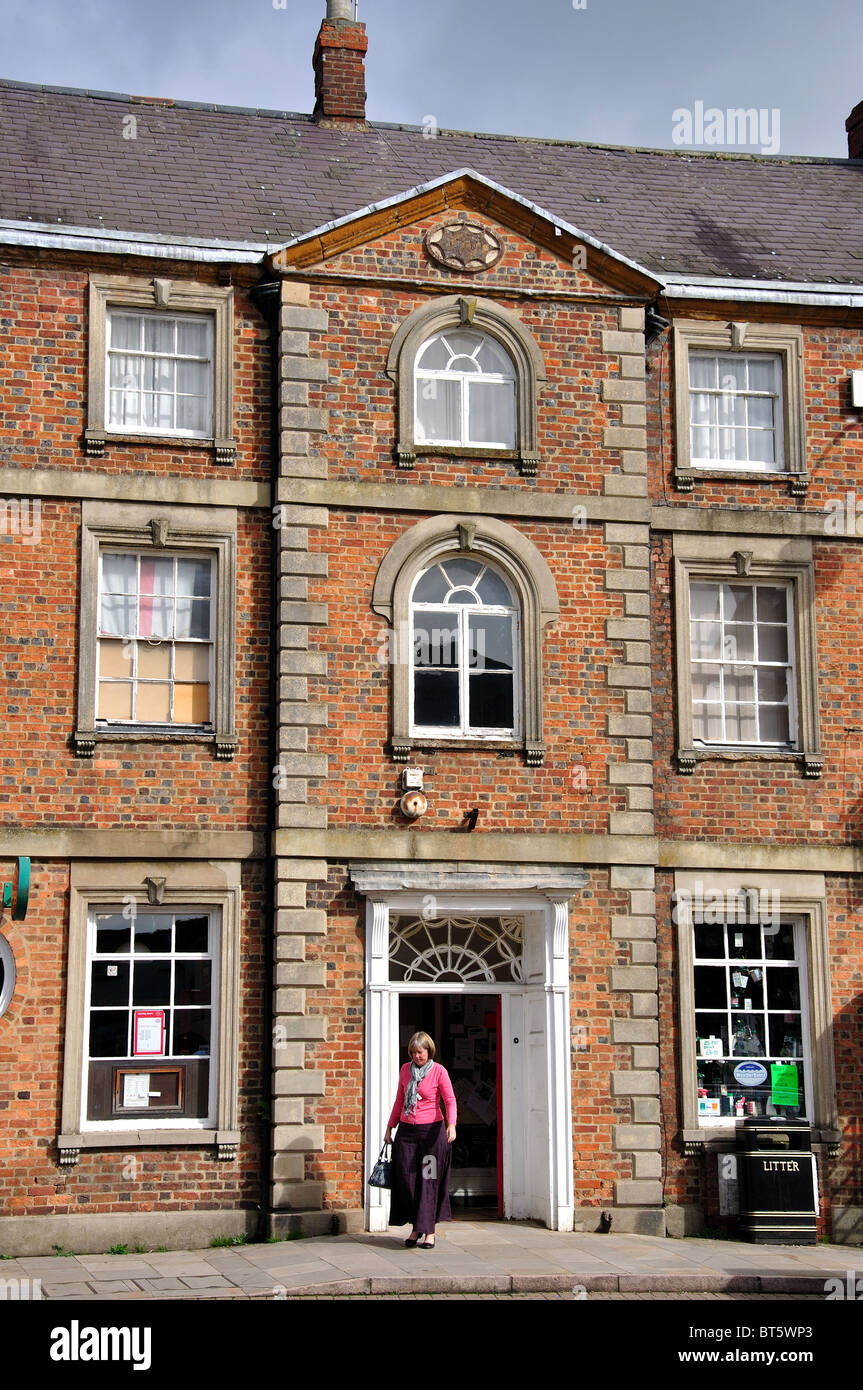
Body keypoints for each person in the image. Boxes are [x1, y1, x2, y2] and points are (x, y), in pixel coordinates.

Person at [384, 1031, 457, 1249]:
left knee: (428, 1181)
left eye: (421, 1052)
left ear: (429, 1051)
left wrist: (451, 1124)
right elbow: (399, 1099)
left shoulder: (439, 1072)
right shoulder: (405, 1070)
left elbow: (450, 1100)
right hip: (407, 1133)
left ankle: (429, 1232)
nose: (417, 1057)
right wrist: (390, 1127)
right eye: (414, 1053)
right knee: (407, 1181)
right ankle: (416, 1225)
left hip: (432, 1135)